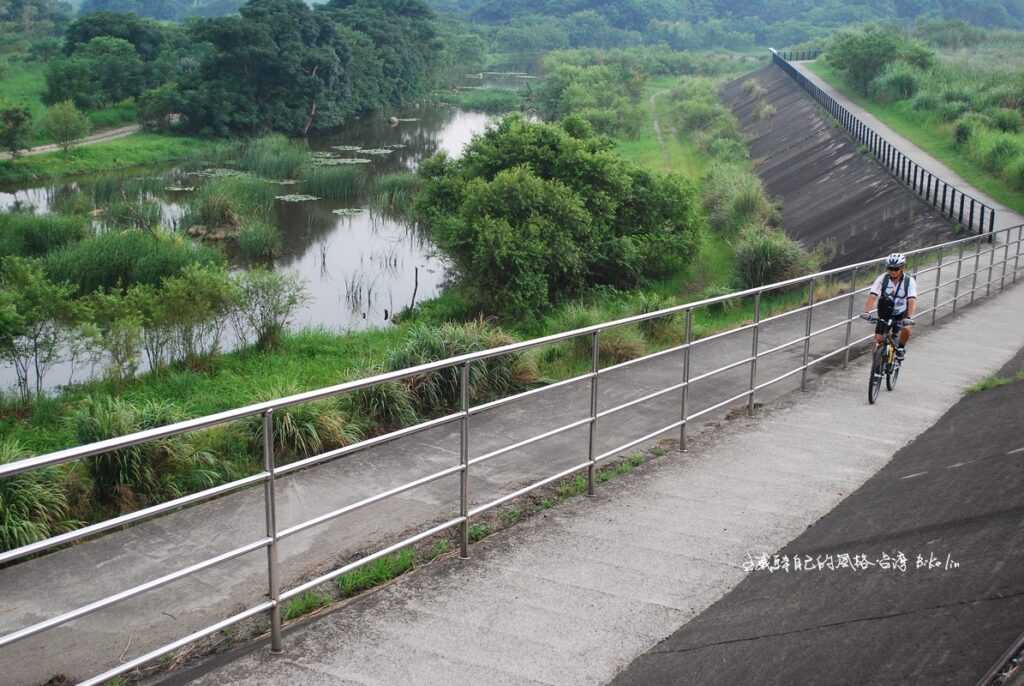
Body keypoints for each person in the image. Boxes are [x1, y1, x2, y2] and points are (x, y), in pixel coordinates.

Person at [861, 253, 917, 361]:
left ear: (902, 268)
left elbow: (912, 299)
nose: (893, 271)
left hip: (902, 311)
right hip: (885, 310)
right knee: (878, 338)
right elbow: (873, 295)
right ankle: (876, 366)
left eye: (896, 269)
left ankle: (900, 348)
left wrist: (909, 317)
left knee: (906, 328)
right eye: (890, 268)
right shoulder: (882, 279)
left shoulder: (909, 281)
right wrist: (867, 312)